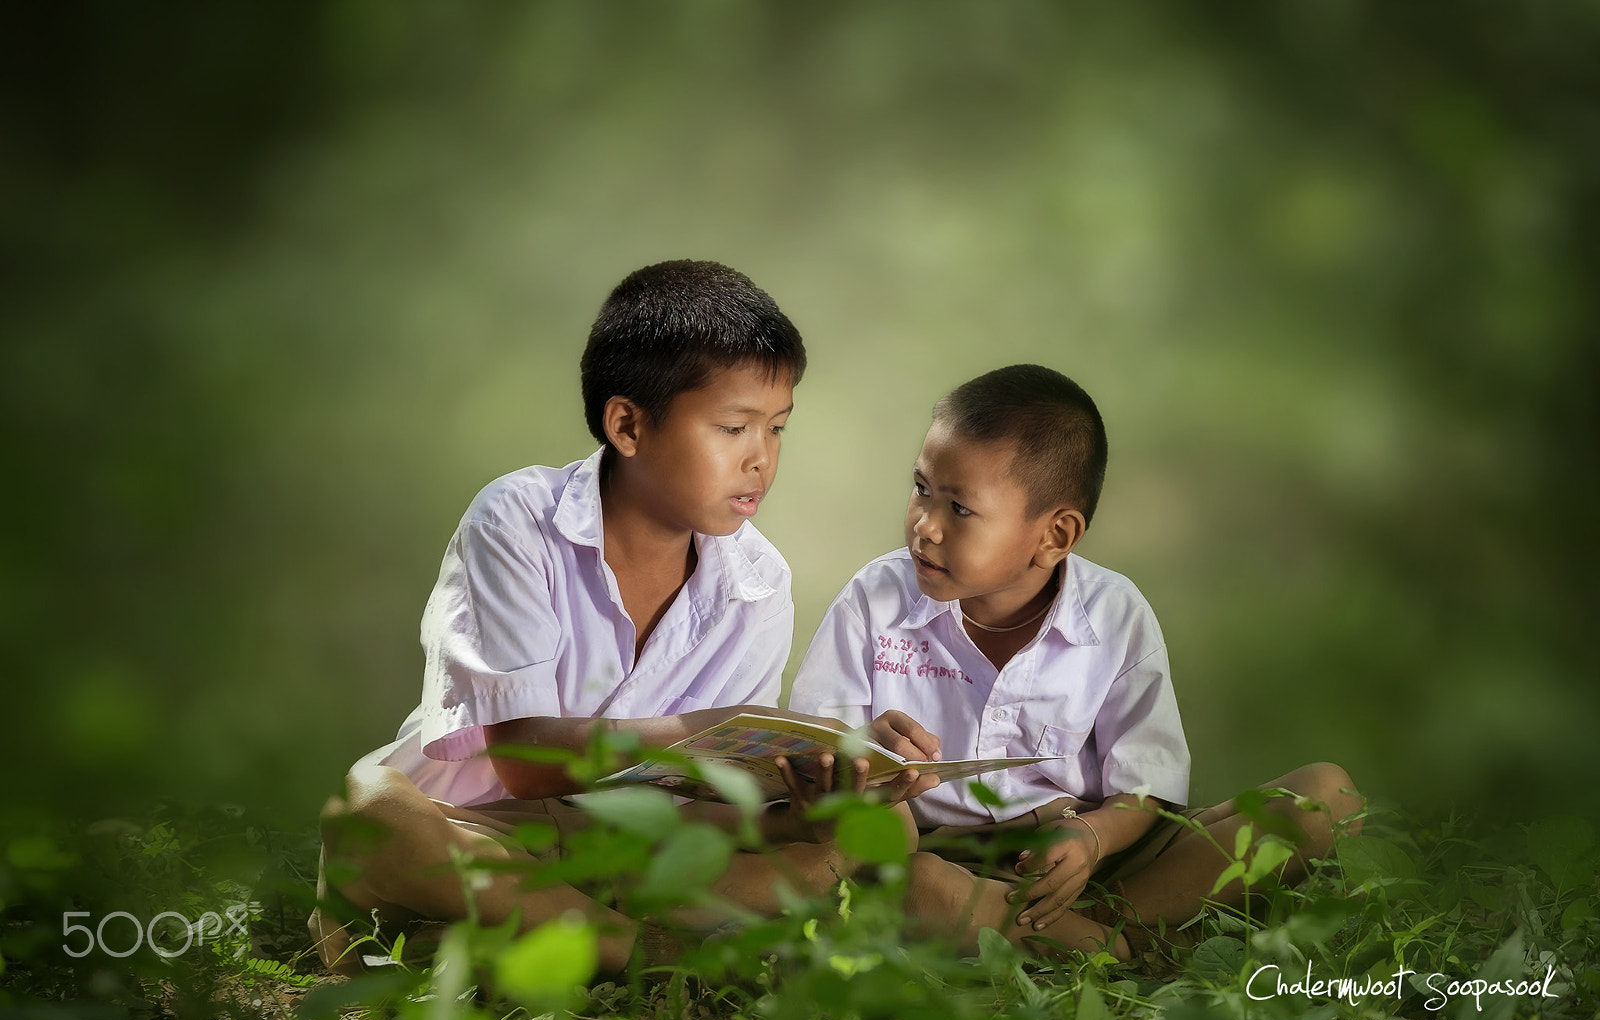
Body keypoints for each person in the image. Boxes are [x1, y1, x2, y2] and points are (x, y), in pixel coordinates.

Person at [309, 260, 920, 978]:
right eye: (732, 427)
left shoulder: (758, 585)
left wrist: (809, 794)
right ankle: (649, 954)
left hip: (620, 853)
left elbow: (697, 807)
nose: (761, 459)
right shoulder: (517, 521)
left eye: (777, 428)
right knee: (369, 810)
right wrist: (715, 726)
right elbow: (527, 761)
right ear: (627, 424)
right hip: (475, 839)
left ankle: (535, 944)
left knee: (880, 829)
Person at [790, 363, 1363, 964]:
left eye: (959, 509)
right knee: (916, 887)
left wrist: (1092, 838)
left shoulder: (1114, 616)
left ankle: (1086, 934)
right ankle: (1122, 948)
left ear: (1056, 535)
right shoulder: (874, 599)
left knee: (1328, 797)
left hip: (1088, 853)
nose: (925, 526)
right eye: (921, 488)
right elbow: (813, 752)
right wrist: (861, 755)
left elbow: (1146, 785)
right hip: (935, 854)